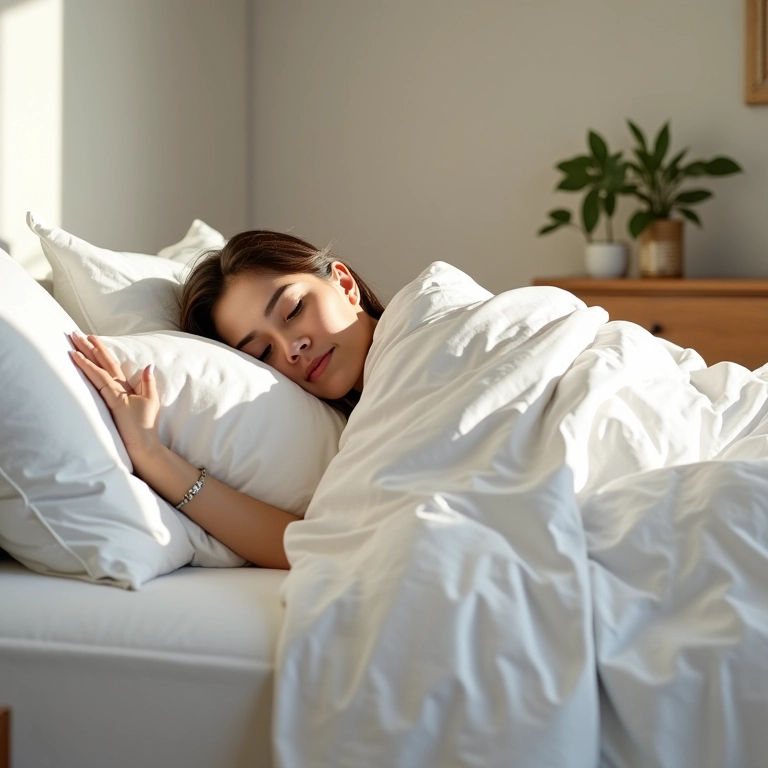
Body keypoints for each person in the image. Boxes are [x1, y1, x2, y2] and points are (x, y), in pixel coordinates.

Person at [69, 230, 385, 570]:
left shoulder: (426, 332)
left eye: (293, 311)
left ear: (345, 284)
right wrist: (150, 452)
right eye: (263, 352)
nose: (292, 348)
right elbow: (323, 547)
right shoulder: (360, 436)